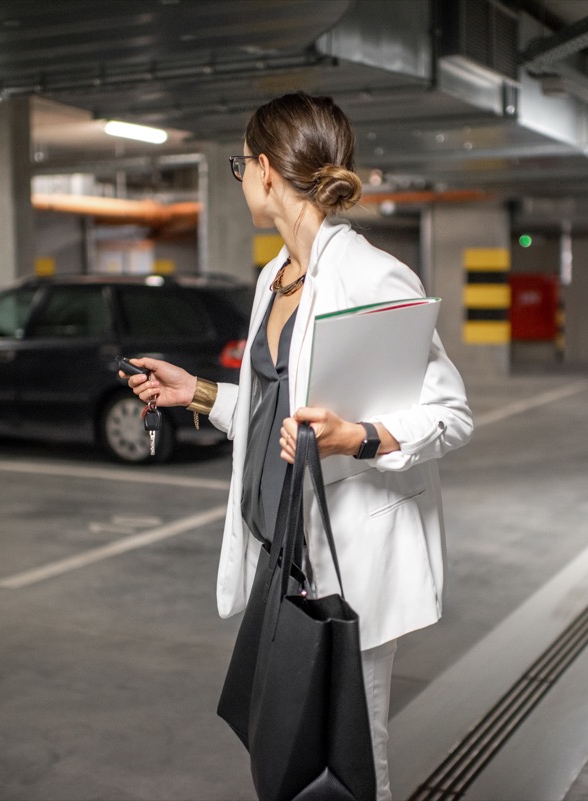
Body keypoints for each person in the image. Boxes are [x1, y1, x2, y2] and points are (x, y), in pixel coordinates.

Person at [123, 91, 472, 800]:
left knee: (353, 759)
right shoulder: (274, 277)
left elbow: (452, 413)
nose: (241, 179)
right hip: (282, 552)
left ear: (265, 170)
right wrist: (193, 391)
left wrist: (361, 438)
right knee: (284, 745)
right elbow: (272, 407)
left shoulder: (370, 277)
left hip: (350, 562)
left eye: (239, 165)